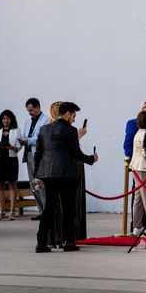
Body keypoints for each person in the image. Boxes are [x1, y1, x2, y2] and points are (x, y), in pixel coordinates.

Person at [34, 102, 98, 252]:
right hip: (66, 174)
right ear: (67, 114)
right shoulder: (70, 130)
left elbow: (38, 154)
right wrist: (91, 159)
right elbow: (75, 153)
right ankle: (69, 242)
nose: (74, 120)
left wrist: (38, 174)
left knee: (48, 208)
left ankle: (41, 242)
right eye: (74, 116)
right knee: (69, 208)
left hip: (48, 175)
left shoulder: (44, 129)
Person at [48, 101, 88, 247]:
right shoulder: (67, 130)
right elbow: (70, 149)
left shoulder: (48, 128)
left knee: (54, 207)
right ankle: (67, 238)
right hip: (67, 170)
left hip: (52, 172)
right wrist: (79, 136)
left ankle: (54, 239)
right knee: (67, 206)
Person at [20, 98, 50, 219]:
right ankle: (40, 210)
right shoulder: (27, 121)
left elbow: (42, 138)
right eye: (28, 110)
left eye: (31, 110)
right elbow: (25, 136)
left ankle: (46, 211)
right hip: (28, 154)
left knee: (40, 183)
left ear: (38, 107)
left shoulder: (46, 120)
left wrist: (27, 140)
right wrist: (21, 140)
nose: (29, 113)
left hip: (39, 155)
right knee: (33, 184)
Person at [0, 110, 22, 221]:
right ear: (1, 119)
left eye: (8, 118)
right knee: (0, 184)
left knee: (12, 184)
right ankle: (1, 211)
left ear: (11, 119)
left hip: (11, 159)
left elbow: (19, 145)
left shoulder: (16, 130)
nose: (6, 121)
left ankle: (12, 211)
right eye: (3, 119)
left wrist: (12, 147)